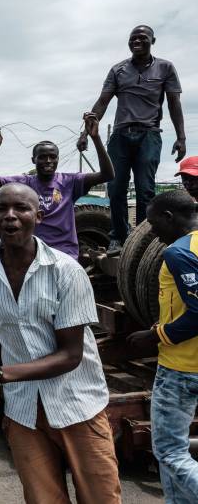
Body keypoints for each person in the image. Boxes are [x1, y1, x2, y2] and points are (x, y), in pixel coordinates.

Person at [0, 183, 121, 504]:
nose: (10, 217)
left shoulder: (66, 272)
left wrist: (1, 376)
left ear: (39, 217)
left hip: (77, 403)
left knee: (100, 497)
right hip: (23, 410)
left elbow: (71, 355)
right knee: (42, 499)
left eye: (21, 209)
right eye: (1, 209)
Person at [79, 25, 186, 248]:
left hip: (149, 134)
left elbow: (174, 103)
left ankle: (143, 239)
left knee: (145, 189)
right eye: (132, 38)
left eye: (142, 37)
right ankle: (118, 236)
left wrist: (181, 137)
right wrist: (84, 134)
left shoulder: (165, 68)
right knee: (116, 187)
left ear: (152, 41)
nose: (137, 41)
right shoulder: (118, 70)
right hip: (120, 136)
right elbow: (102, 102)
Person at [126, 190, 198, 502]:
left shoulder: (178, 253)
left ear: (169, 217)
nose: (152, 233)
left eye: (154, 225)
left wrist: (154, 336)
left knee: (169, 452)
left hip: (181, 368)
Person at [0, 113, 114, 260]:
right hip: (32, 253)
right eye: (42, 157)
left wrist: (96, 138)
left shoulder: (71, 181)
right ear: (33, 160)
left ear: (57, 159)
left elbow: (108, 175)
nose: (48, 161)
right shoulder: (23, 183)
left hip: (64, 253)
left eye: (53, 156)